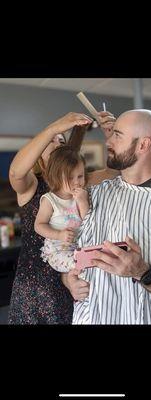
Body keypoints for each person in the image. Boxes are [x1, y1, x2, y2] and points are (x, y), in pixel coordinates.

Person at [64, 109, 151, 325]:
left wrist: (142, 271)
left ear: (143, 145)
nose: (108, 141)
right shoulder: (95, 194)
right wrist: (69, 280)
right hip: (91, 317)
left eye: (117, 135)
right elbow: (71, 252)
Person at [8, 110, 117, 324]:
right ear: (39, 154)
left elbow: (114, 172)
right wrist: (54, 128)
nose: (57, 142)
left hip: (73, 282)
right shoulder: (31, 186)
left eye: (62, 140)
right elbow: (16, 173)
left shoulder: (80, 184)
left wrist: (111, 135)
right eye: (51, 141)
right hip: (34, 290)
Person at [34, 146, 89, 273]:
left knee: (93, 261)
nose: (76, 182)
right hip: (58, 250)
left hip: (79, 247)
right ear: (56, 176)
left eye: (80, 176)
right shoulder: (50, 200)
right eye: (70, 177)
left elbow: (88, 221)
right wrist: (59, 234)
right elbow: (39, 226)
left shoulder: (82, 196)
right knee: (81, 265)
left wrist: (82, 201)